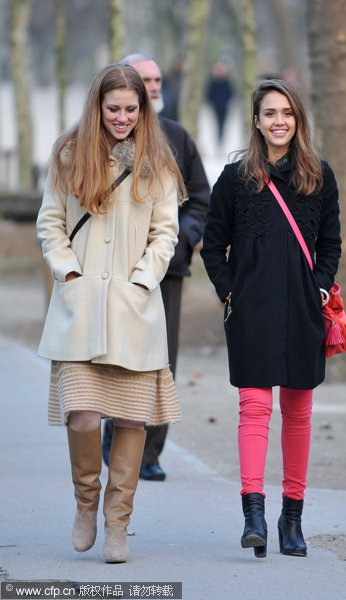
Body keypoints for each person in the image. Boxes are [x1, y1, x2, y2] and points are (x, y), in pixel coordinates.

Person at [36, 64, 184, 563]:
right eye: (113, 108)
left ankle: (118, 523)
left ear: (142, 110)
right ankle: (86, 501)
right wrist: (69, 274)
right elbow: (50, 222)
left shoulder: (158, 162)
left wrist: (144, 279)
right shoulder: (69, 156)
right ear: (97, 107)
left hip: (134, 307)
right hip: (80, 308)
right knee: (81, 415)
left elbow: (167, 233)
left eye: (130, 109)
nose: (122, 117)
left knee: (131, 420)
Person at [201, 79, 341, 558]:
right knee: (255, 409)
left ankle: (293, 517)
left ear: (297, 119)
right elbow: (211, 243)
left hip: (303, 310)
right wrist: (230, 291)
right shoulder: (235, 179)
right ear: (256, 121)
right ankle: (254, 513)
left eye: (287, 112)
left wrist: (319, 287)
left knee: (298, 414)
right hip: (252, 311)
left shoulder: (318, 176)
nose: (278, 121)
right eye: (269, 113)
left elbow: (331, 244)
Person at [101, 53, 210, 481]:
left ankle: (150, 452)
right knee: (114, 353)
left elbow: (200, 196)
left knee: (162, 360)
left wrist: (183, 241)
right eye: (144, 79)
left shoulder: (176, 137)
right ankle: (114, 436)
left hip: (168, 270)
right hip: (115, 271)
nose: (153, 85)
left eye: (157, 79)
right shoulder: (99, 139)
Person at [206, 61, 233, 145]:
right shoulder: (213, 81)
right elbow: (209, 94)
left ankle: (221, 139)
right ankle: (218, 139)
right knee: (217, 123)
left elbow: (230, 93)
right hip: (216, 106)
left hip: (224, 106)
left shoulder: (227, 81)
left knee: (223, 123)